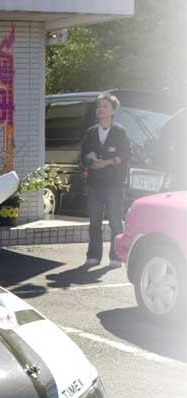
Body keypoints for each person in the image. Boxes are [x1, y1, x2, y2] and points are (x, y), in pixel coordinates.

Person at [82, 93, 131, 268]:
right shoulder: (91, 132)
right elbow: (83, 155)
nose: (101, 109)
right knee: (94, 222)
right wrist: (90, 158)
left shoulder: (120, 131)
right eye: (99, 106)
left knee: (116, 222)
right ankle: (93, 256)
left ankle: (116, 257)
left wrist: (109, 162)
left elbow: (126, 155)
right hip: (94, 183)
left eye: (105, 106)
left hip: (114, 184)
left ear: (113, 110)